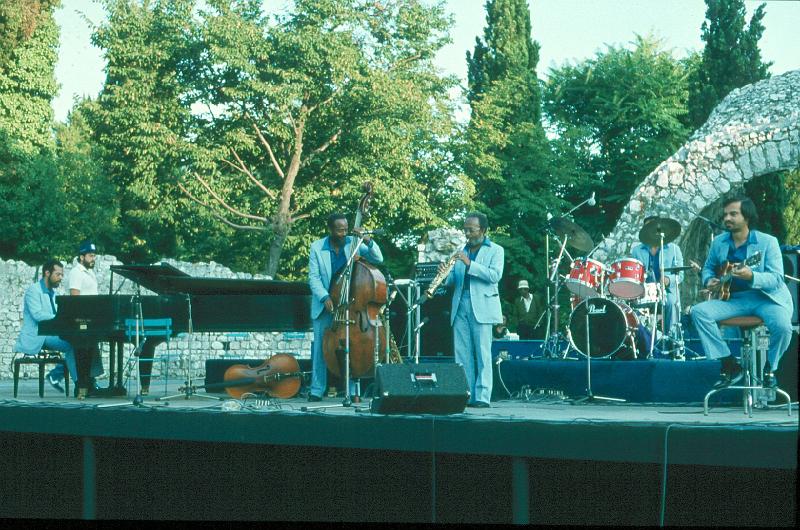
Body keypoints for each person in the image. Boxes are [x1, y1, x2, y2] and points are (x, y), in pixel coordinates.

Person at [691, 196, 793, 389]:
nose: (727, 218)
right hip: (734, 300)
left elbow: (777, 279)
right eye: (725, 215)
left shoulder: (768, 242)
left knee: (783, 327)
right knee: (699, 312)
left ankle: (770, 368)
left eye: (733, 214)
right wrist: (709, 279)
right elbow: (708, 267)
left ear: (747, 217)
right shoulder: (719, 242)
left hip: (766, 299)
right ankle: (728, 363)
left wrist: (752, 276)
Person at [307, 212, 384, 402]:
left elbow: (378, 258)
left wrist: (367, 240)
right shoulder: (317, 247)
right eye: (339, 230)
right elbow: (313, 278)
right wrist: (324, 297)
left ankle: (352, 390)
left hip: (351, 304)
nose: (343, 233)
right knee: (321, 348)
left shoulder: (354, 242)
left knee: (352, 346)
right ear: (330, 229)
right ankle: (316, 390)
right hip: (326, 303)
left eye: (345, 229)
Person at [439, 212, 504, 408]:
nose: (467, 233)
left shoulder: (496, 250)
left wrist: (469, 264)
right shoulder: (461, 250)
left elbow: (494, 276)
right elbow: (454, 280)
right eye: (465, 230)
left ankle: (482, 397)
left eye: (471, 230)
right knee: (462, 352)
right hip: (460, 303)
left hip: (482, 305)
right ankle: (466, 394)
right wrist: (444, 275)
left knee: (483, 352)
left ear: (482, 230)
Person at [47, 239, 104, 396]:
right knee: (82, 349)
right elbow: (75, 298)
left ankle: (89, 382)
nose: (93, 258)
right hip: (82, 319)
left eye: (94, 256)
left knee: (91, 348)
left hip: (92, 318)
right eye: (90, 256)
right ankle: (82, 384)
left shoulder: (90, 272)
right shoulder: (76, 272)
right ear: (81, 257)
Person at [15, 259, 77, 393]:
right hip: (38, 335)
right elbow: (37, 315)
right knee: (73, 345)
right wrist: (59, 318)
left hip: (50, 333)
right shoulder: (33, 290)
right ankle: (79, 384)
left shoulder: (53, 293)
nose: (61, 278)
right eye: (58, 274)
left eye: (62, 275)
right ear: (47, 273)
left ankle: (86, 382)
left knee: (81, 342)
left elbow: (56, 314)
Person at [631, 216, 685, 346]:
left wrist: (668, 279)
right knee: (632, 307)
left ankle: (672, 341)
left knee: (671, 303)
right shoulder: (637, 250)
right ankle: (642, 343)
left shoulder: (674, 249)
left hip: (666, 292)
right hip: (644, 292)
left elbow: (681, 275)